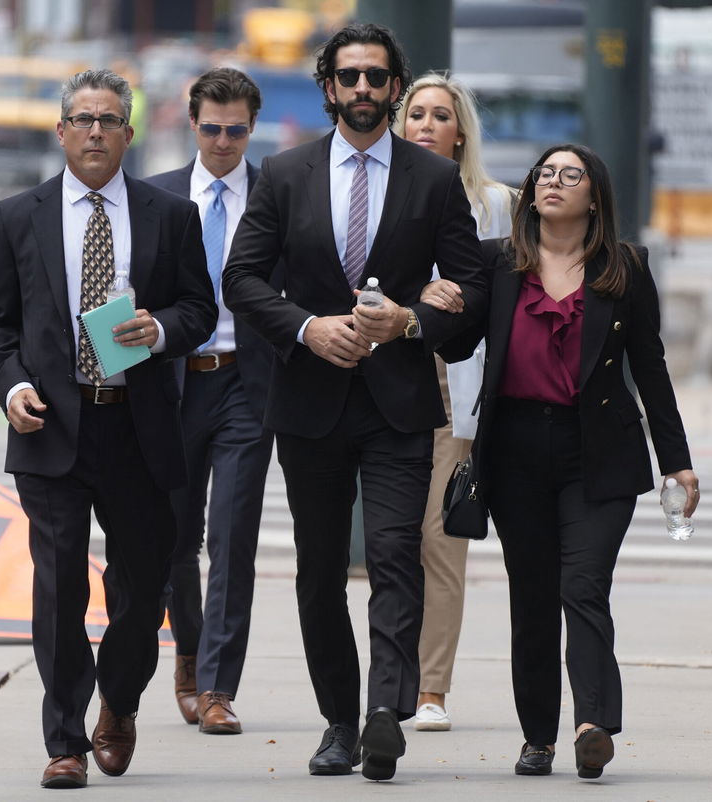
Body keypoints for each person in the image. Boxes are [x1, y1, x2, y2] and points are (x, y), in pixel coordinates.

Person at [222, 23, 487, 781]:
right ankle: (339, 719)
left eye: (377, 77)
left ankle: (384, 713)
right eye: (351, 77)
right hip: (310, 402)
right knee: (317, 570)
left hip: (399, 401)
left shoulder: (432, 181)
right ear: (329, 87)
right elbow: (243, 280)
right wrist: (307, 329)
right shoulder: (284, 173)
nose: (364, 89)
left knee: (397, 553)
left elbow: (469, 289)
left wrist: (410, 320)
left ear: (395, 88)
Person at [0, 68, 216, 790]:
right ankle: (65, 740)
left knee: (141, 592)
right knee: (58, 593)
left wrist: (162, 328)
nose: (94, 132)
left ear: (129, 134)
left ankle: (120, 697)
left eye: (109, 120)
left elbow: (199, 311)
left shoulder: (169, 216)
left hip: (137, 428)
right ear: (60, 131)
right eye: (82, 119)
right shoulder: (18, 215)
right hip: (52, 429)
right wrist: (13, 386)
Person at [441, 143, 699, 779]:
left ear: (595, 196)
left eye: (570, 175)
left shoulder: (626, 268)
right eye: (545, 174)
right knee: (532, 597)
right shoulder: (497, 264)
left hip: (598, 453)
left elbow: (652, 369)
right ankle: (538, 737)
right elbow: (457, 342)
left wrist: (677, 461)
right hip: (516, 452)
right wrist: (432, 310)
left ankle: (592, 725)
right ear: (531, 192)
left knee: (583, 585)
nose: (553, 183)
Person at [145, 67, 276, 735]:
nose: (223, 142)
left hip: (246, 388)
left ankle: (220, 688)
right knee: (174, 540)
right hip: (172, 383)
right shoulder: (157, 197)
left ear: (252, 129)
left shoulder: (276, 196)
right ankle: (190, 652)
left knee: (232, 539)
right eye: (211, 129)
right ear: (190, 124)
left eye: (236, 130)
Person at [392, 72, 515, 734]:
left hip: (455, 387)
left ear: (459, 130)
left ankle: (432, 688)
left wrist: (462, 296)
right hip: (386, 385)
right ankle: (394, 681)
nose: (428, 124)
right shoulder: (377, 193)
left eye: (441, 115)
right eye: (417, 114)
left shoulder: (496, 205)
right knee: (392, 543)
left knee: (441, 542)